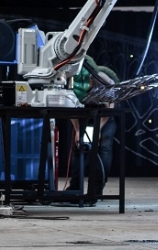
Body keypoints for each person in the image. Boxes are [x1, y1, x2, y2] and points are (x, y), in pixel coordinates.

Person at [66, 55, 119, 204]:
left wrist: (98, 129)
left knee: (103, 148)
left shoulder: (103, 80)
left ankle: (96, 190)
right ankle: (74, 189)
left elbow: (109, 108)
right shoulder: (70, 81)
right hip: (83, 111)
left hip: (104, 113)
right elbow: (71, 109)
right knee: (78, 148)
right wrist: (77, 130)